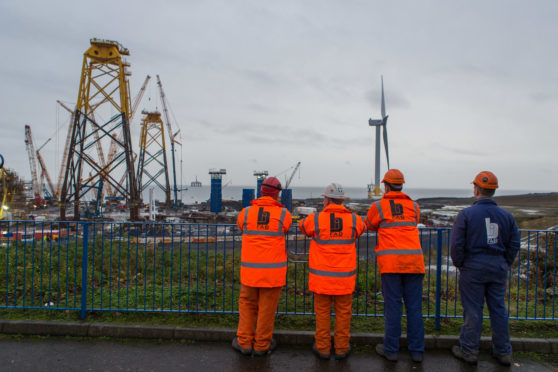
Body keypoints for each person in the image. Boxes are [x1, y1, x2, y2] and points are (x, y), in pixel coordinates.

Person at [450, 171, 520, 366]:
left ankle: (469, 351)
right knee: (498, 309)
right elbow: (514, 243)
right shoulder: (507, 216)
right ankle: (503, 352)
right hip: (498, 267)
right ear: (493, 191)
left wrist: (460, 263)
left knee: (473, 310)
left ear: (476, 189)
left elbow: (456, 245)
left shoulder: (466, 214)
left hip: (473, 268)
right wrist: (505, 262)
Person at [299, 183, 366, 360]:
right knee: (344, 314)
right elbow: (362, 230)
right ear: (342, 201)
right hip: (345, 278)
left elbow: (303, 228)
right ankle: (342, 348)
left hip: (321, 278)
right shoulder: (354, 219)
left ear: (327, 199)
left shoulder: (315, 218)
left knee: (322, 313)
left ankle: (323, 348)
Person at [365, 169, 425, 363]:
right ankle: (417, 351)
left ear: (386, 185)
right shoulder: (414, 206)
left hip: (391, 264)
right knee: (414, 307)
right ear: (402, 185)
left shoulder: (379, 206)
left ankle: (391, 349)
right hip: (414, 263)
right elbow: (413, 223)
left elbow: (369, 224)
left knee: (393, 307)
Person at [232, 177, 293, 356]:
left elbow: (241, 226)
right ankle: (261, 346)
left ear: (261, 191)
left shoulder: (245, 212)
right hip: (273, 273)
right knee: (267, 309)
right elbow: (285, 228)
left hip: (250, 271)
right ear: (277, 193)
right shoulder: (284, 214)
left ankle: (244, 343)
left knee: (247, 305)